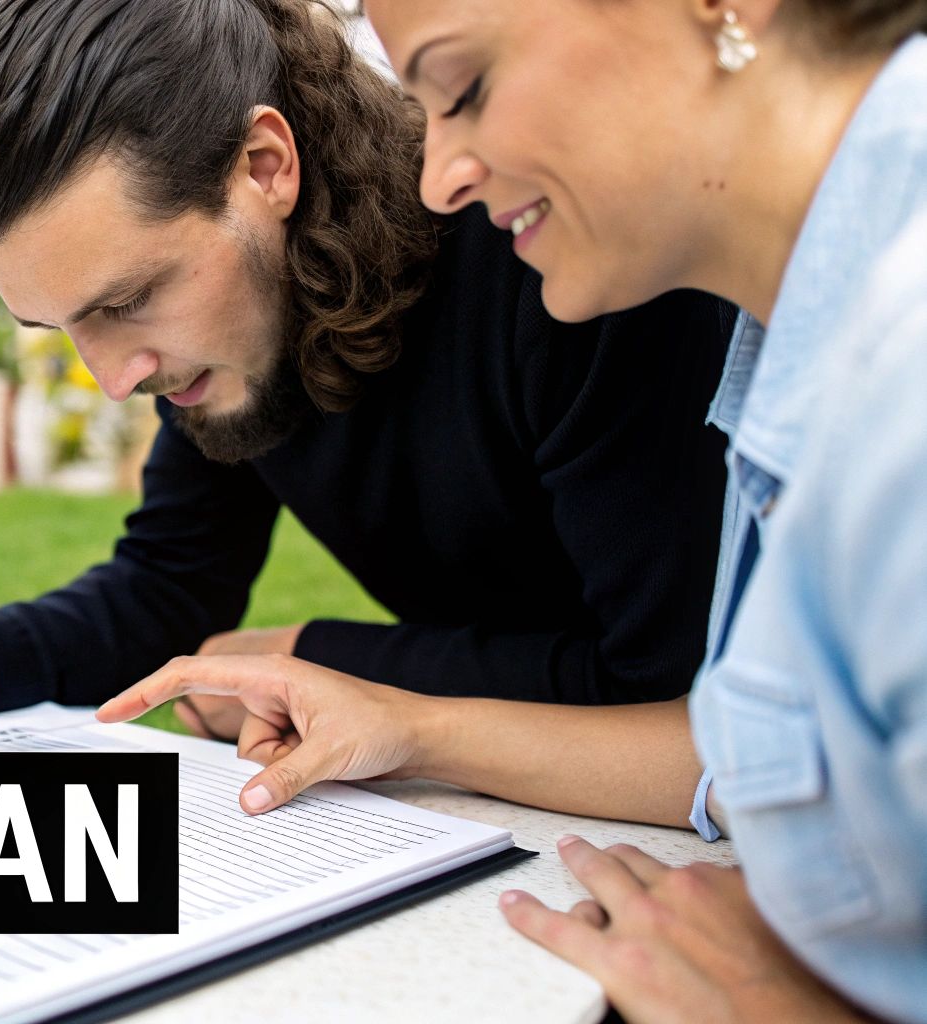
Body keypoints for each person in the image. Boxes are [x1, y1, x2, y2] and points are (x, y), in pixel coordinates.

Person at [97, 1, 927, 1018]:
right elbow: (764, 748)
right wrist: (410, 725)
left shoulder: (899, 376)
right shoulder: (790, 343)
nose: (440, 175)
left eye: (466, 87)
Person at [0, 0, 732, 746]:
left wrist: (309, 659)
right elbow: (169, 586)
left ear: (264, 167)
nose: (114, 377)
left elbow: (668, 678)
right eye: (59, 324)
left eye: (125, 301)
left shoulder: (555, 252)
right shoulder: (226, 336)